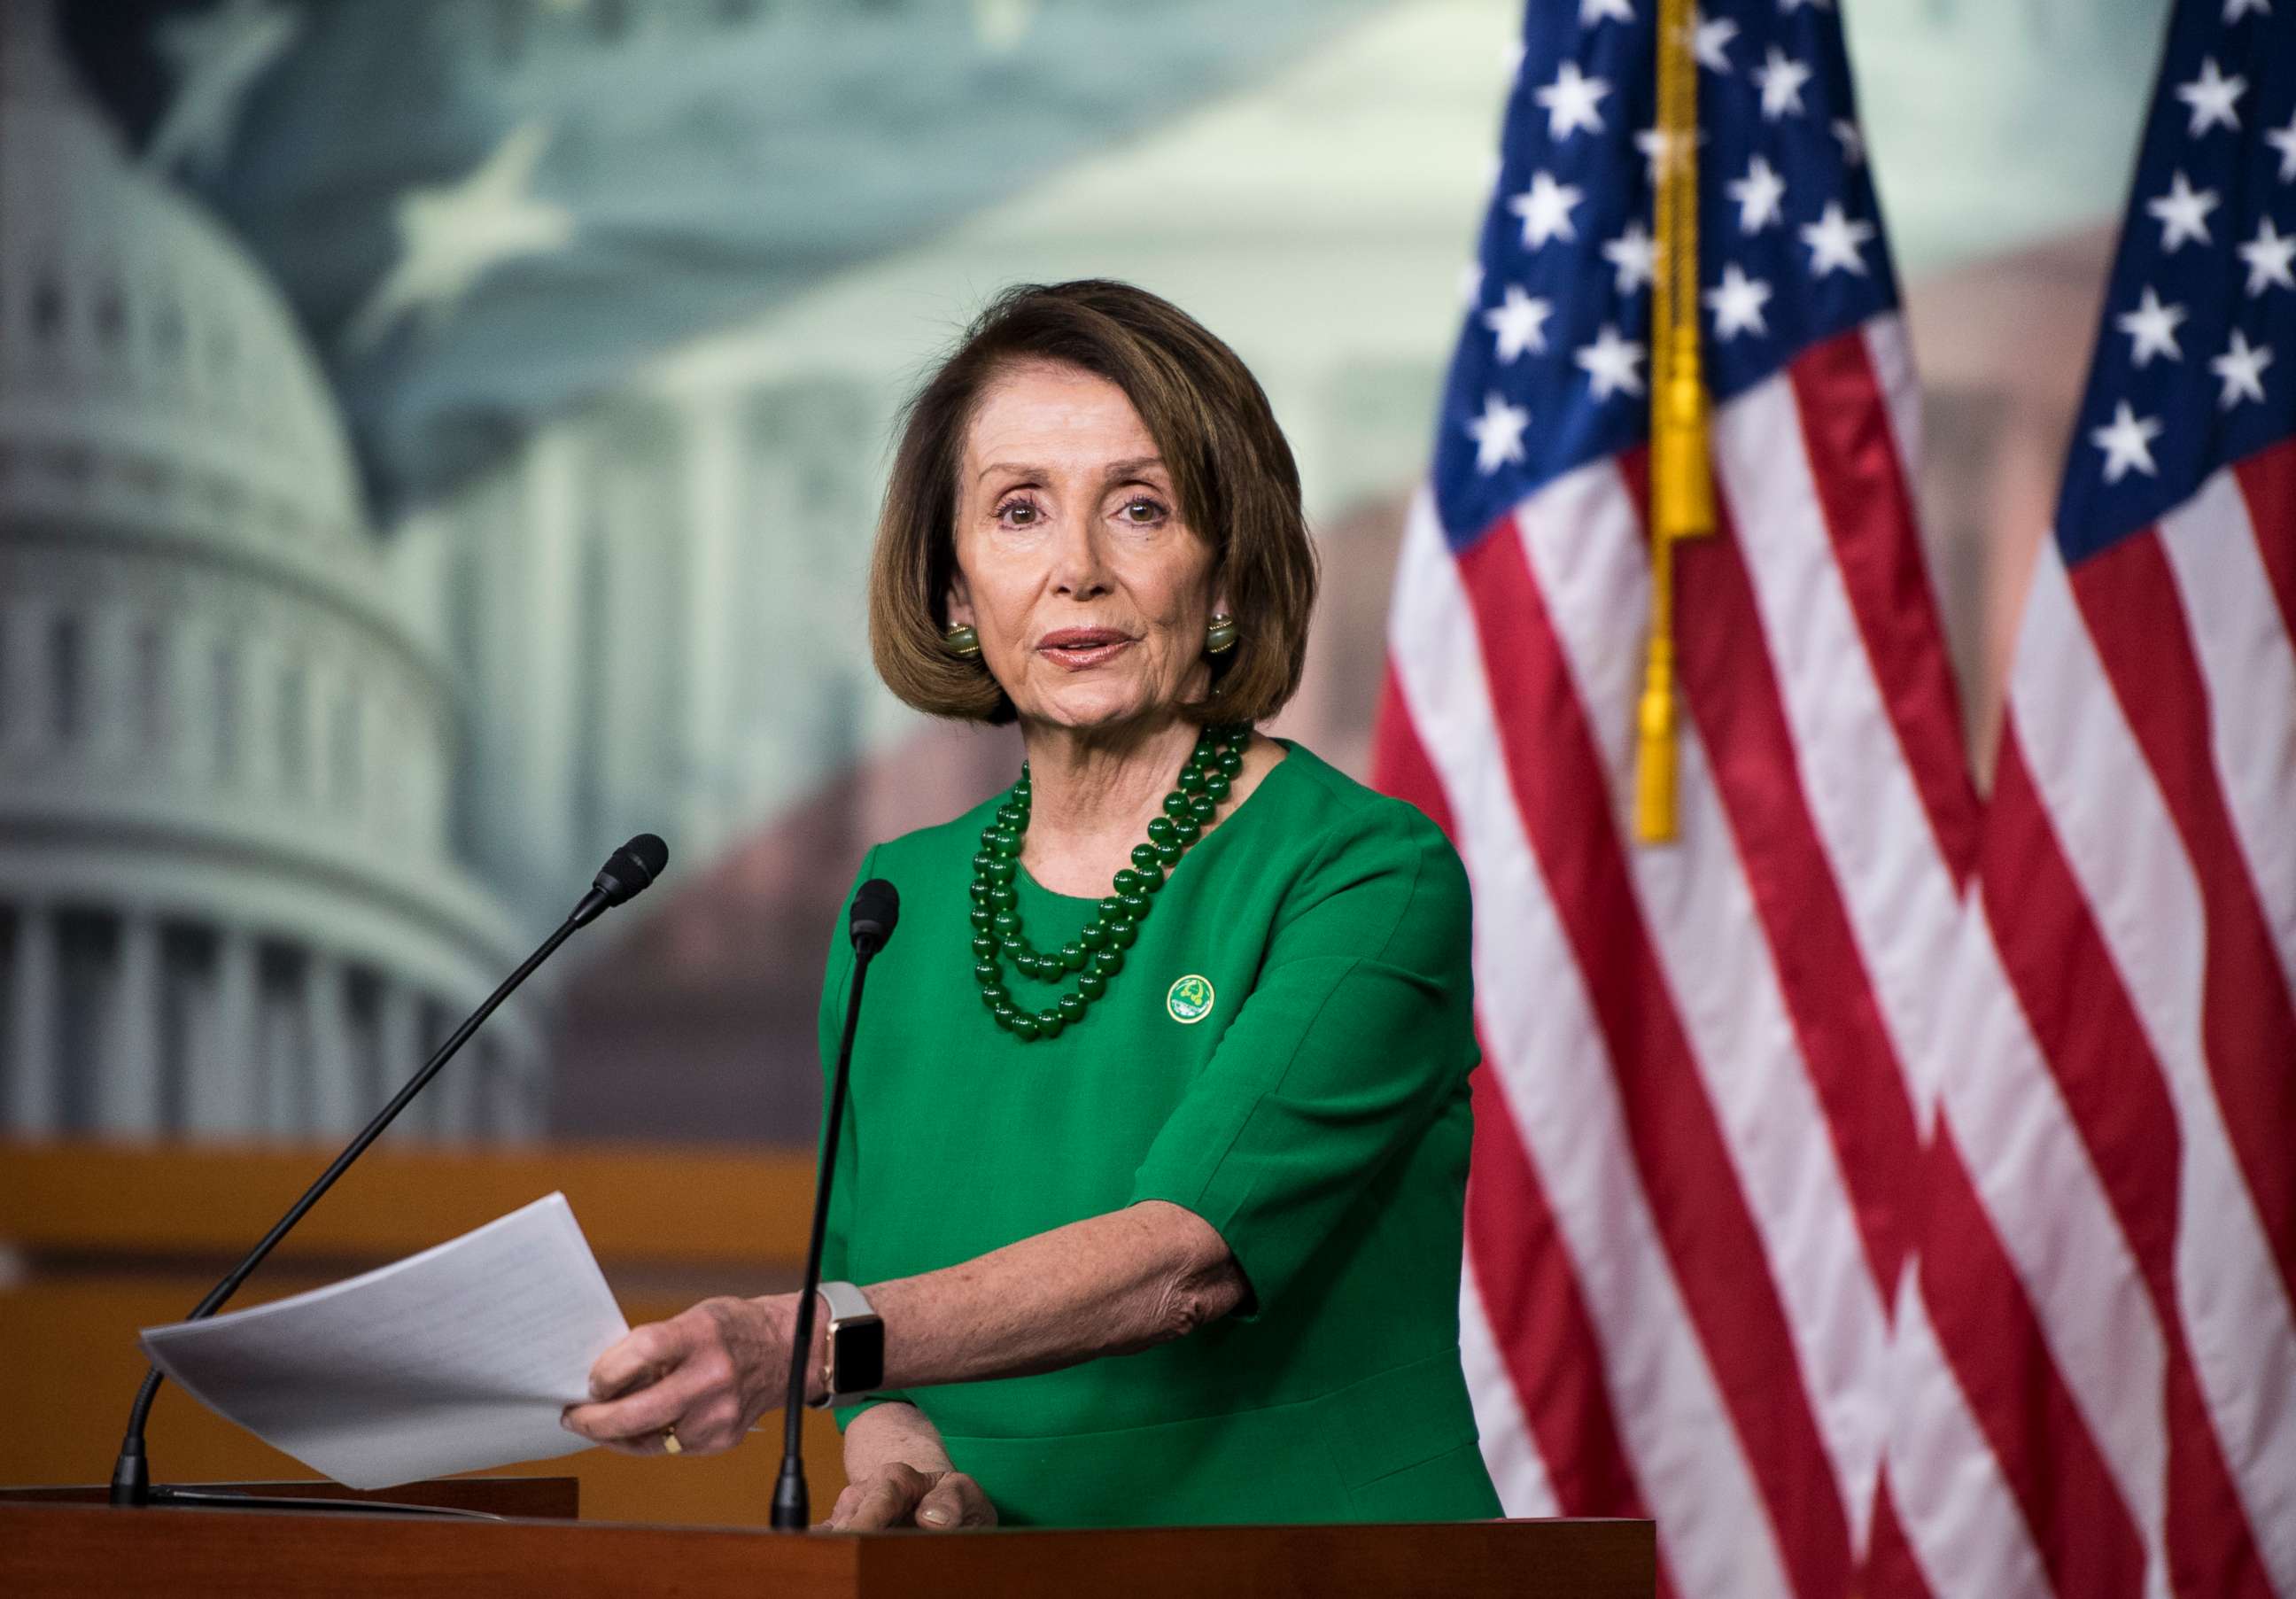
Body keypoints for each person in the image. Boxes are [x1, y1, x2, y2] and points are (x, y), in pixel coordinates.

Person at [562, 279, 1501, 1532]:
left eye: (1140, 507)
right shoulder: (900, 898)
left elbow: (1187, 1260)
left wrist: (804, 1344)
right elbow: (868, 1287)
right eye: (1018, 511)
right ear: (956, 593)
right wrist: (903, 1465)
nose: (1078, 571)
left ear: (1224, 575)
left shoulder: (1368, 873)